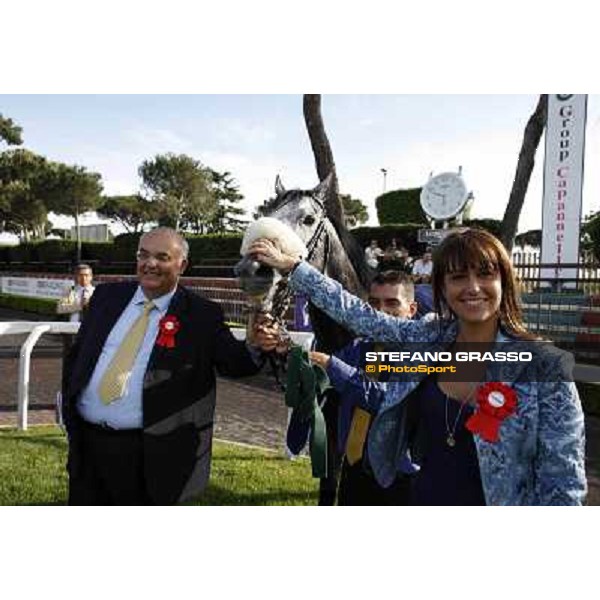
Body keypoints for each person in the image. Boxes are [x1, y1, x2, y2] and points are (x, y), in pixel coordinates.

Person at [249, 228, 587, 505]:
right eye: (457, 277)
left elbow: (564, 482)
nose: (471, 288)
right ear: (442, 287)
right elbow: (358, 314)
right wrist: (294, 266)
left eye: (485, 274)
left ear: (505, 281)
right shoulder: (429, 336)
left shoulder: (545, 367)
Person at [61, 227, 279, 505]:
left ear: (182, 265)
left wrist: (258, 343)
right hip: (87, 448)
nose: (150, 264)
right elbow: (80, 357)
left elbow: (237, 364)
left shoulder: (202, 314)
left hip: (152, 457)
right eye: (143, 255)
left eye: (162, 257)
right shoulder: (106, 297)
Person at [309, 270, 419, 505]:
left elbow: (388, 398)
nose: (380, 312)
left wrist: (334, 367)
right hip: (353, 471)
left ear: (412, 310)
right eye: (374, 303)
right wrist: (285, 349)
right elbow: (321, 375)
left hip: (400, 479)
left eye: (391, 303)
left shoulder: (421, 354)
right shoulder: (359, 348)